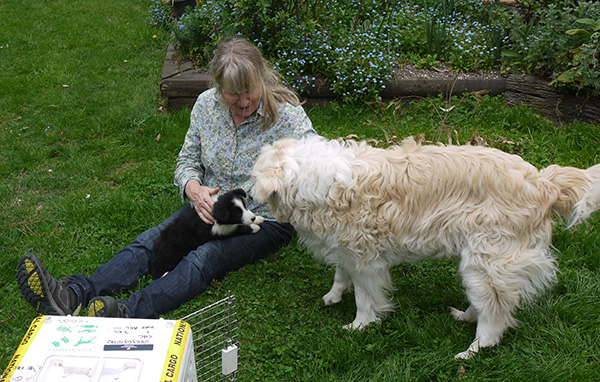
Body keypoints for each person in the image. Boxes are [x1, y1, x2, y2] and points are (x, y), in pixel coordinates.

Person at [16, 37, 317, 318]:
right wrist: (194, 188)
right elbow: (187, 159)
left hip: (264, 220)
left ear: (261, 79)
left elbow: (315, 160)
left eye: (249, 91)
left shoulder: (287, 116)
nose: (242, 101)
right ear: (218, 86)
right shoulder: (206, 107)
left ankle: (123, 313)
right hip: (208, 207)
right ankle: (72, 294)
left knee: (205, 258)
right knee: (153, 240)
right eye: (232, 94)